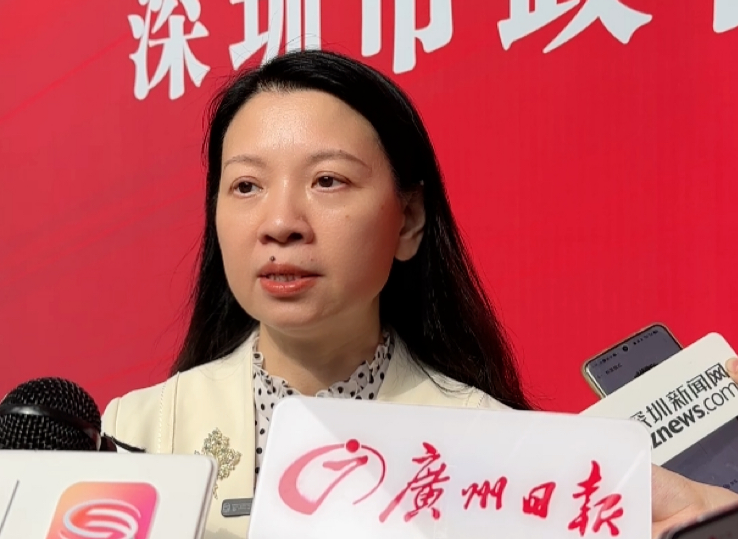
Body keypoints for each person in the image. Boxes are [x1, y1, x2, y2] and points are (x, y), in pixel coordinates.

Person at [101, 50, 738, 539]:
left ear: (407, 220)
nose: (281, 222)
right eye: (246, 187)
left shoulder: (509, 453)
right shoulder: (134, 435)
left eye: (327, 180)